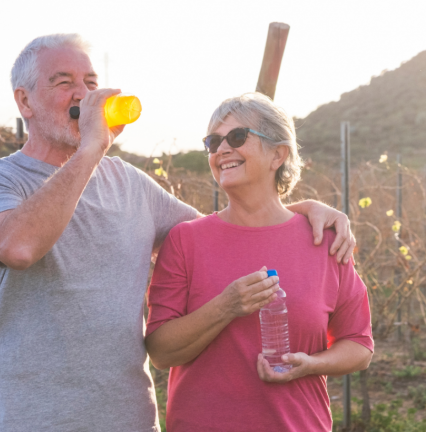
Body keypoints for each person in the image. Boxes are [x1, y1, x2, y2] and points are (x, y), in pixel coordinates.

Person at [0, 34, 355, 432]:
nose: (83, 93)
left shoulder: (131, 186)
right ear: (25, 101)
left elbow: (226, 233)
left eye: (91, 82)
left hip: (129, 420)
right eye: (64, 82)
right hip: (34, 420)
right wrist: (91, 150)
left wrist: (299, 212)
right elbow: (18, 247)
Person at [145, 93, 373, 431]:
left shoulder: (325, 240)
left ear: (278, 154)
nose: (221, 150)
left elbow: (359, 345)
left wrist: (311, 364)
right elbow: (161, 353)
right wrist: (227, 306)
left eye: (237, 137)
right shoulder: (185, 241)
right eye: (213, 142)